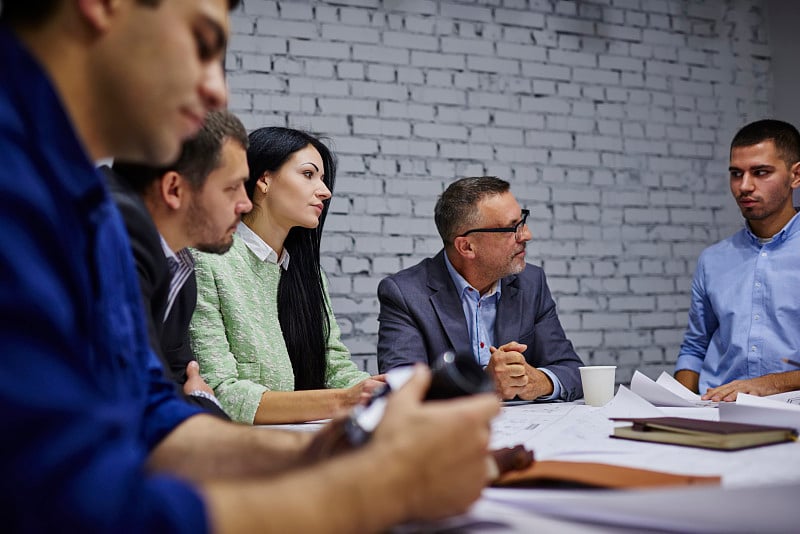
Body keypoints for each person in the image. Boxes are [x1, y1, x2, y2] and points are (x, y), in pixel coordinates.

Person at [0, 1, 499, 531]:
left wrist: (332, 451)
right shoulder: (28, 184)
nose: (217, 89)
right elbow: (64, 504)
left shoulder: (85, 201)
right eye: (203, 41)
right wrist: (377, 486)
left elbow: (150, 416)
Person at [190, 126, 384, 424]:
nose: (325, 191)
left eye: (322, 179)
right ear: (264, 180)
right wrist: (343, 400)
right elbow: (219, 393)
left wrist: (379, 391)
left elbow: (334, 369)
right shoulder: (207, 261)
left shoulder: (309, 274)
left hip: (309, 441)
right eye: (309, 174)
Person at [377, 176, 584, 401]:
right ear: (467, 246)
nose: (526, 235)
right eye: (512, 228)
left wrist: (539, 381)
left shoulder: (531, 282)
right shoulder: (405, 294)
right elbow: (402, 391)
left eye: (522, 220)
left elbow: (572, 370)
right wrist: (484, 384)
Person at [103, 109, 253, 419]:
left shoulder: (180, 264)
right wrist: (202, 402)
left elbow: (176, 376)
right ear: (174, 189)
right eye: (232, 188)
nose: (246, 204)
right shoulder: (114, 226)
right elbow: (144, 398)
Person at [674, 119, 800, 401]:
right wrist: (677, 404)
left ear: (796, 175)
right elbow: (694, 349)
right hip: (717, 412)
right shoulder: (713, 259)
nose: (744, 186)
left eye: (760, 172)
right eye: (736, 173)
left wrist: (770, 384)